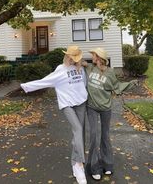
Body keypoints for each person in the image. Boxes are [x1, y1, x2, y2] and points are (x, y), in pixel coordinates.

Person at [20, 45, 87, 184]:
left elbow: (84, 84)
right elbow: (45, 81)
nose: (74, 60)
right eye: (72, 57)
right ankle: (80, 165)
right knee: (78, 129)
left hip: (81, 102)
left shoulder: (80, 68)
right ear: (67, 56)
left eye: (76, 58)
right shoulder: (60, 70)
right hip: (67, 104)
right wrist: (26, 86)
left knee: (80, 133)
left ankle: (75, 162)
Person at [85, 47, 135, 181]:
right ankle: (94, 167)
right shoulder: (89, 68)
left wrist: (129, 84)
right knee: (94, 135)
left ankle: (107, 164)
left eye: (94, 54)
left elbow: (116, 87)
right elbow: (78, 61)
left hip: (106, 108)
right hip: (92, 107)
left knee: (105, 136)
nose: (92, 56)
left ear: (99, 57)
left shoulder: (110, 72)